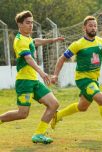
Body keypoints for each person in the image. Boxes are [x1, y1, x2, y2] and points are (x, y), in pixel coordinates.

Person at [50, 16, 102, 138]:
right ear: (84, 27)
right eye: (90, 25)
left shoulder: (101, 42)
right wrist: (55, 75)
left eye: (95, 25)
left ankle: (58, 115)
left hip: (93, 80)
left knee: (82, 107)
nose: (93, 28)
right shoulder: (78, 44)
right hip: (83, 80)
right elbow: (62, 58)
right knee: (101, 99)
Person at [0, 10, 64, 144]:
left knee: (54, 104)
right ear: (19, 24)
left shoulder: (28, 38)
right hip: (24, 82)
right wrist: (42, 73)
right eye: (27, 23)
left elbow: (36, 41)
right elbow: (28, 58)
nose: (31, 26)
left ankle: (39, 134)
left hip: (33, 81)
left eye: (32, 23)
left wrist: (53, 39)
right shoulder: (19, 40)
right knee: (22, 113)